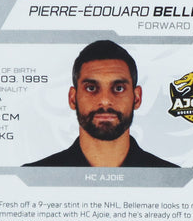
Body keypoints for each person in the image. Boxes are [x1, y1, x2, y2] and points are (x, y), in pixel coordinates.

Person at [24, 40, 178, 167]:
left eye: (118, 88)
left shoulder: (171, 178)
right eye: (91, 88)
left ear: (137, 98)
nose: (105, 101)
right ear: (73, 98)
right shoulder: (35, 177)